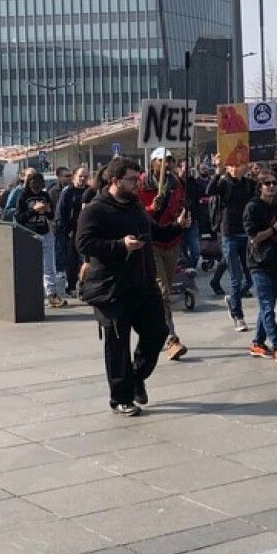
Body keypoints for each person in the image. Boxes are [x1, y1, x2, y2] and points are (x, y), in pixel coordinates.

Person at [75, 158, 190, 416]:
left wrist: (176, 227)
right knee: (117, 343)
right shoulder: (95, 209)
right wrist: (119, 246)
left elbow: (155, 232)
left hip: (142, 284)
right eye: (131, 180)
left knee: (157, 332)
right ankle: (121, 398)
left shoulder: (136, 206)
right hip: (111, 288)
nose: (137, 184)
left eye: (137, 179)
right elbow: (83, 243)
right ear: (115, 181)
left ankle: (136, 376)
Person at [243, 171, 277, 365]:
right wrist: (273, 229)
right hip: (259, 263)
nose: (272, 186)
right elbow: (253, 237)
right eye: (267, 183)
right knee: (267, 306)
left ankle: (257, 343)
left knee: (268, 306)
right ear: (260, 187)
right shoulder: (252, 207)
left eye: (274, 183)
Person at [143, 148, 189, 361]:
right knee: (163, 293)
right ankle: (171, 337)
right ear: (153, 163)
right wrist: (152, 208)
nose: (167, 164)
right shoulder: (143, 184)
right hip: (153, 243)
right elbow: (137, 213)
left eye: (169, 160)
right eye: (162, 160)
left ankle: (155, 326)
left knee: (165, 293)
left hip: (172, 241)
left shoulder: (176, 183)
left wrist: (184, 217)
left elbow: (181, 205)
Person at [14, 169, 66, 308]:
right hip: (29, 234)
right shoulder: (23, 196)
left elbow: (51, 216)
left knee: (49, 267)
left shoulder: (45, 195)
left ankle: (51, 294)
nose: (37, 186)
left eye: (39, 183)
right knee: (31, 266)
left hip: (45, 232)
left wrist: (48, 211)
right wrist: (34, 210)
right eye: (34, 183)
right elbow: (19, 218)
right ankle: (31, 294)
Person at [214, 159, 256, 331]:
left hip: (245, 233)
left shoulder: (249, 184)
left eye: (238, 165)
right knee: (235, 278)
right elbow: (210, 190)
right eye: (232, 165)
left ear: (244, 166)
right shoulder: (224, 182)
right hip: (229, 234)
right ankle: (238, 315)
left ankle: (233, 298)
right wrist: (218, 170)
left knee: (250, 277)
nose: (234, 168)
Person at [55, 166, 89, 297]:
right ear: (74, 177)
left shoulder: (90, 191)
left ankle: (84, 286)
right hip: (71, 231)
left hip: (86, 231)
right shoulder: (68, 192)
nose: (83, 179)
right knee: (72, 261)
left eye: (85, 176)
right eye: (80, 176)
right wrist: (65, 230)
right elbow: (60, 213)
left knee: (86, 260)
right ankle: (71, 286)